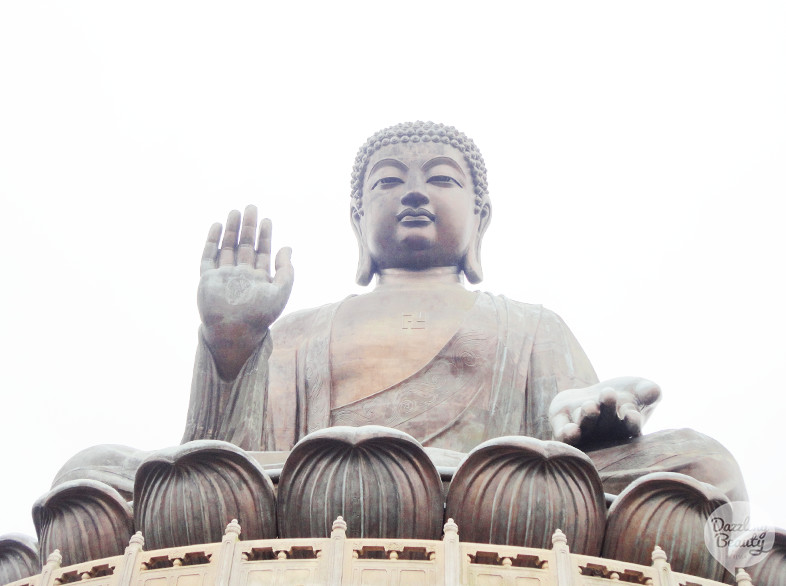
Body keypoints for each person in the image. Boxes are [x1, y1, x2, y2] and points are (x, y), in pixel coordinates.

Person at [55, 121, 746, 502]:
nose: (414, 193)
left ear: (480, 218)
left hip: (489, 495)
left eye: (441, 179)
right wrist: (230, 347)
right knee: (91, 472)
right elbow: (215, 461)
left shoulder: (529, 325)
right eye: (390, 182)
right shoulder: (299, 331)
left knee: (703, 466)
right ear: (359, 219)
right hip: (304, 492)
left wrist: (592, 420)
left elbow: (572, 454)